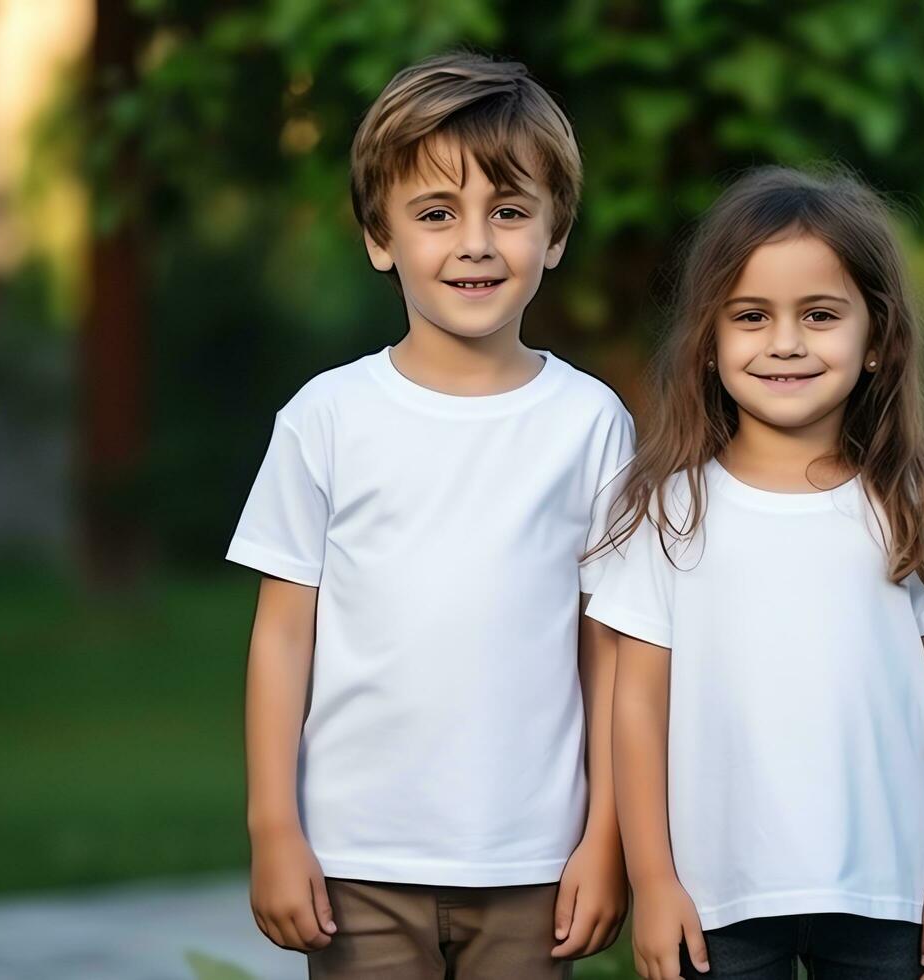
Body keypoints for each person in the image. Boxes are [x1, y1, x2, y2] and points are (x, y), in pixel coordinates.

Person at [226, 52, 633, 979]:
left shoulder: (592, 425)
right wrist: (274, 829)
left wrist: (604, 838)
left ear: (555, 233)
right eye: (436, 214)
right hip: (354, 864)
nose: (476, 243)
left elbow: (609, 649)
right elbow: (283, 640)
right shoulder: (326, 418)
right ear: (380, 237)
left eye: (511, 211)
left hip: (534, 861)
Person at [585, 165, 924, 980]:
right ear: (708, 344)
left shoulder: (920, 502)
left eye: (818, 315)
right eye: (751, 317)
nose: (784, 342)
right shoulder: (668, 511)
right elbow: (635, 704)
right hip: (718, 902)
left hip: (888, 894)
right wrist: (654, 880)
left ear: (879, 340)